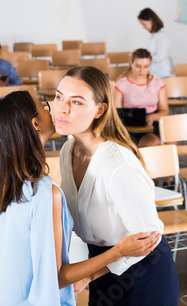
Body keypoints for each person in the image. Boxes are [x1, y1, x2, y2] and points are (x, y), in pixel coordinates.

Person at [0, 91, 161, 306]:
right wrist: (117, 252)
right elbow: (55, 278)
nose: (56, 111)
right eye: (46, 107)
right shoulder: (45, 193)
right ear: (36, 124)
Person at [53, 66, 180, 305]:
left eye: (77, 102)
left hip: (143, 271)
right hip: (102, 263)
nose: (63, 108)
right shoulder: (67, 150)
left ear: (99, 110)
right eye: (59, 97)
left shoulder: (118, 164)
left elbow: (147, 240)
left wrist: (89, 274)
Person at [113, 48, 168, 147]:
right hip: (130, 125)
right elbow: (116, 113)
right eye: (138, 66)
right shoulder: (121, 84)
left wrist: (152, 117)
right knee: (153, 142)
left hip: (152, 122)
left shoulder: (158, 83)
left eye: (146, 67)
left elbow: (164, 110)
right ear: (131, 64)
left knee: (170, 139)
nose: (142, 70)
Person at [138, 8, 171, 78]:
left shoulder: (161, 35)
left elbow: (160, 57)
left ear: (151, 21)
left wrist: (144, 58)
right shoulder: (155, 35)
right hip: (154, 73)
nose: (143, 27)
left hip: (161, 74)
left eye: (144, 24)